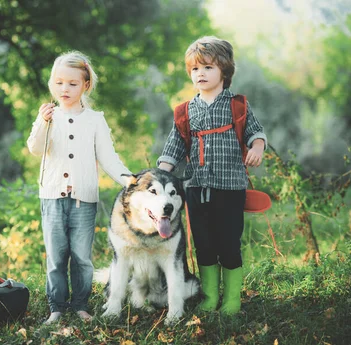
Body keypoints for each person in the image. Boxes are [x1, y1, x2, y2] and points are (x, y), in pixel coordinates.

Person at [157, 36, 267, 315]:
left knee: (228, 242)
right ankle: (209, 297)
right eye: (195, 69)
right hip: (195, 187)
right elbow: (174, 147)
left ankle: (232, 300)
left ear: (224, 71)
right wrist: (159, 176)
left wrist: (257, 147)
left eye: (207, 67)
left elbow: (255, 133)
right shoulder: (185, 111)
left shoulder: (237, 105)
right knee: (203, 244)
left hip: (230, 187)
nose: (200, 74)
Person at [27, 51, 132, 324]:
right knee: (56, 257)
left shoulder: (95, 119)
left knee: (82, 257)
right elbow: (35, 148)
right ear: (52, 83)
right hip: (52, 198)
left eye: (73, 84)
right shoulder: (49, 117)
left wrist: (129, 180)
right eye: (59, 82)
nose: (65, 89)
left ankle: (81, 304)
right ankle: (57, 307)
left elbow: (108, 157)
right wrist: (42, 122)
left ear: (85, 85)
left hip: (83, 200)